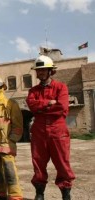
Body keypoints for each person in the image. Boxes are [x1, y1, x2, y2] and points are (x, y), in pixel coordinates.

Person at [26, 55, 75, 200]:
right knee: (38, 162)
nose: (40, 73)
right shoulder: (33, 91)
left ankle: (66, 193)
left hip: (58, 130)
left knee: (62, 162)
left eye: (43, 70)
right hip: (39, 131)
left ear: (50, 71)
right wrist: (48, 103)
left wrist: (41, 106)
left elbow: (62, 107)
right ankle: (39, 193)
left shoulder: (61, 87)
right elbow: (32, 106)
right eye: (38, 70)